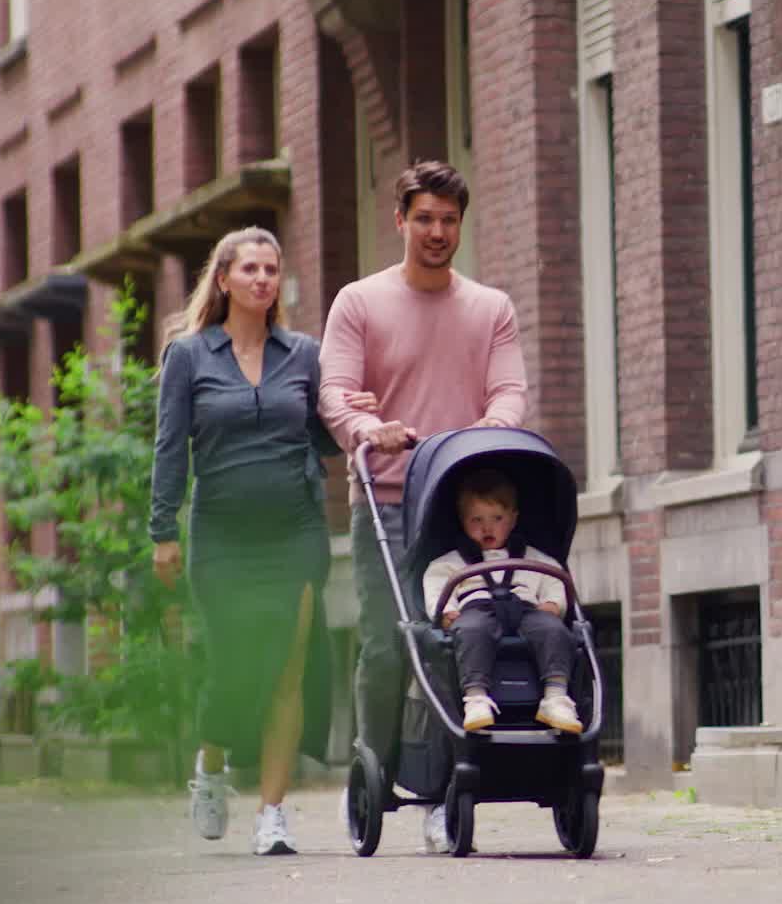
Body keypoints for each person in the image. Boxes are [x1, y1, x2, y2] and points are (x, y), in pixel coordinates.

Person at [319, 160, 529, 852]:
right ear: (401, 220)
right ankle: (372, 771)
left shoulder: (491, 309)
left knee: (448, 643)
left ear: (461, 224)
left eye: (449, 220)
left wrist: (492, 429)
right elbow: (336, 393)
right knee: (387, 646)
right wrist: (366, 428)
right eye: (425, 219)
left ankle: (445, 793)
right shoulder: (358, 302)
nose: (437, 232)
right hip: (385, 499)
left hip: (457, 506)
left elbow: (509, 392)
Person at [150, 226, 375, 856]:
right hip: (221, 533)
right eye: (249, 268)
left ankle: (272, 814)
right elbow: (170, 447)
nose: (262, 279)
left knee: (287, 667)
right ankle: (211, 763)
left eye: (271, 269)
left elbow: (320, 434)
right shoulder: (189, 356)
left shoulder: (302, 354)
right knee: (232, 663)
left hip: (294, 529)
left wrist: (354, 416)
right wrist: (162, 531)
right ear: (223, 280)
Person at [424, 469, 582, 734]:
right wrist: (446, 611)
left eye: (497, 518)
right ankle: (475, 698)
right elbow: (436, 587)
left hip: (527, 609)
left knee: (554, 631)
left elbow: (555, 579)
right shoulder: (450, 563)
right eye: (477, 520)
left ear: (513, 519)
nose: (487, 528)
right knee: (470, 631)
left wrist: (554, 604)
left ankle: (555, 696)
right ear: (462, 521)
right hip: (476, 609)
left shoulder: (533, 558)